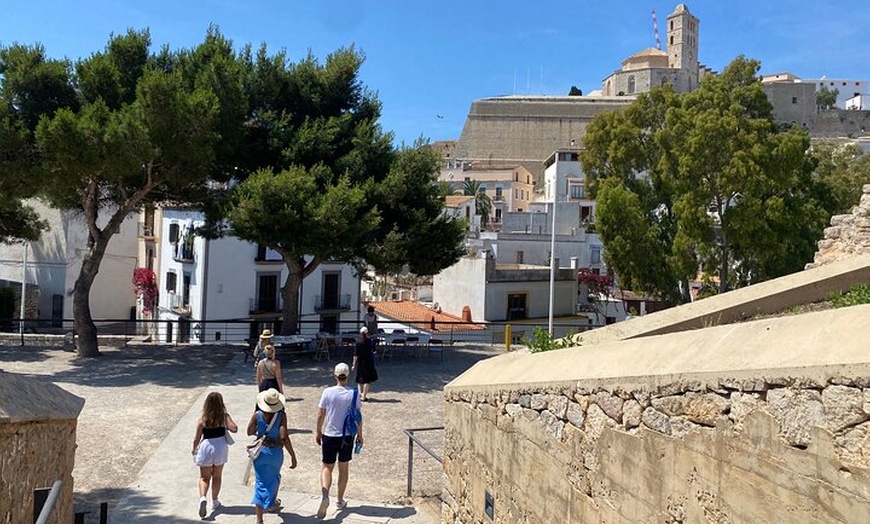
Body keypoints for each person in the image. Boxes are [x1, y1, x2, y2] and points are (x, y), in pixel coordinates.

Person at [315, 363, 363, 519]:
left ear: (334, 375)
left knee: (327, 467)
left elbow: (320, 414)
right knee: (343, 468)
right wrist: (360, 435)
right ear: (348, 376)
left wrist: (318, 431)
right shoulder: (354, 393)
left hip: (330, 434)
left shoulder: (328, 392)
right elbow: (358, 417)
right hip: (347, 436)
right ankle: (340, 500)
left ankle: (325, 495)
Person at [248, 388, 297, 524]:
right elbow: (284, 437)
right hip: (275, 453)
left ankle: (259, 519)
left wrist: (261, 431)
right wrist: (293, 455)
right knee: (275, 477)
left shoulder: (257, 414)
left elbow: (249, 431)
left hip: (261, 453)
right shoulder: (281, 416)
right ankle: (271, 502)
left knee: (260, 482)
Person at [192, 391, 239, 518]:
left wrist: (194, 449)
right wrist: (227, 425)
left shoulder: (203, 418)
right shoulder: (224, 416)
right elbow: (234, 428)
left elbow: (197, 438)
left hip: (206, 447)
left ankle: (202, 498)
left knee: (204, 477)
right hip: (220, 447)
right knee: (217, 476)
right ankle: (215, 500)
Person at [352, 327, 378, 401]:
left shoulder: (358, 342)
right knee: (367, 380)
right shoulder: (371, 341)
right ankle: (364, 396)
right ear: (367, 333)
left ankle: (360, 395)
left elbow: (355, 355)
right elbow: (374, 351)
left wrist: (354, 364)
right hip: (369, 362)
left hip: (360, 362)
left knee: (359, 379)